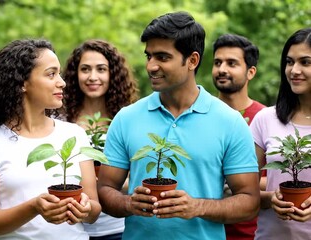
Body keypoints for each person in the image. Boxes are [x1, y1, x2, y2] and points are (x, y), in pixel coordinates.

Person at [97, 11, 260, 240]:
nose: (151, 66)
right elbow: (104, 190)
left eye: (162, 57)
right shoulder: (126, 118)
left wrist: (197, 207)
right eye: (149, 56)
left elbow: (249, 201)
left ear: (192, 60)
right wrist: (128, 203)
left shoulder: (230, 121)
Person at [0, 39, 101, 239]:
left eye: (60, 73)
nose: (62, 82)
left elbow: (94, 208)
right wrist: (34, 207)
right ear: (22, 83)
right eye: (51, 74)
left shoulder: (75, 135)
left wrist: (86, 209)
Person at [62, 39, 139, 240]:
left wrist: (106, 183)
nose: (93, 77)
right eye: (85, 69)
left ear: (113, 74)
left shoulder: (127, 120)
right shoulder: (59, 121)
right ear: (74, 74)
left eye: (101, 69)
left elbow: (138, 174)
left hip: (116, 228)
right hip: (71, 228)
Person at [250, 27, 311, 239]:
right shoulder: (265, 119)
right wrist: (270, 199)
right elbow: (244, 191)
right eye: (289, 61)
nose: (294, 70)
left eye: (305, 62)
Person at [211, 33, 266, 240]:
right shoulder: (199, 114)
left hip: (250, 234)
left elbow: (276, 177)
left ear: (250, 72)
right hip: (202, 230)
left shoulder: (265, 119)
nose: (222, 69)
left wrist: (236, 178)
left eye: (231, 63)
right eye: (217, 62)